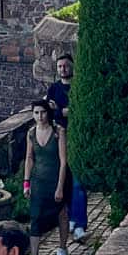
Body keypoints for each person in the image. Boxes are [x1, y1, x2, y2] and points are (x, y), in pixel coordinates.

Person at [44, 54, 87, 239]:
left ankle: (80, 224)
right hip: (59, 139)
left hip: (77, 137)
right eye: (60, 66)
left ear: (72, 67)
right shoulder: (53, 88)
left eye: (66, 66)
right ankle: (70, 218)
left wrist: (60, 110)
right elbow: (47, 111)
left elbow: (80, 109)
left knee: (78, 182)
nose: (63, 69)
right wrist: (62, 111)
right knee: (65, 180)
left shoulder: (79, 86)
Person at [23, 98, 69, 255]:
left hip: (56, 178)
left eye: (42, 112)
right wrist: (26, 183)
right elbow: (29, 158)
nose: (40, 116)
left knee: (61, 213)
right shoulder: (31, 133)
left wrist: (60, 187)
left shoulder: (58, 131)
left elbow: (63, 161)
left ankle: (62, 247)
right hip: (38, 181)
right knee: (35, 216)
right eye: (36, 113)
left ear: (47, 113)